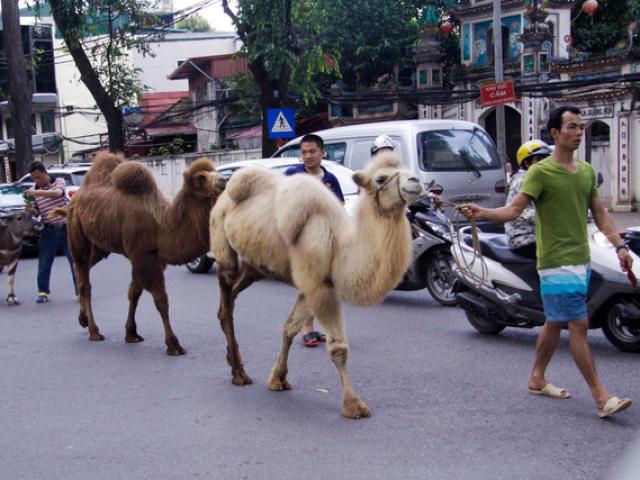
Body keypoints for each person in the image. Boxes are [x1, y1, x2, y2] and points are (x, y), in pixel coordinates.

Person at [459, 106, 633, 418]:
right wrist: (482, 213)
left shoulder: (586, 172)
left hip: (582, 258)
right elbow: (513, 211)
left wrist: (619, 246)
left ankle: (537, 378)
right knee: (578, 324)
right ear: (554, 133)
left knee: (554, 322)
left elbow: (601, 214)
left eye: (580, 127)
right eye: (571, 127)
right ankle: (601, 396)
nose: (578, 132)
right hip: (554, 261)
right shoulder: (540, 172)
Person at [285, 133, 344, 347]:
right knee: (309, 284)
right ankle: (306, 327)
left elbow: (338, 208)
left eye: (312, 151)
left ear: (322, 153)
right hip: (302, 242)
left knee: (327, 286)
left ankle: (325, 327)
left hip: (327, 243)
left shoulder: (330, 179)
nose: (307, 156)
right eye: (303, 152)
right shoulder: (293, 175)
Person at [25, 161, 78, 304]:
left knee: (74, 261)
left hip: (66, 228)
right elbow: (36, 211)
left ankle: (80, 292)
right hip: (48, 230)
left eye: (38, 177)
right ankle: (43, 292)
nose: (37, 181)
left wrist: (36, 192)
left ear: (45, 173)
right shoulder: (34, 190)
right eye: (34, 178)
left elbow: (57, 194)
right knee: (44, 263)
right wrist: (31, 210)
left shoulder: (58, 182)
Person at [505, 140, 553, 259]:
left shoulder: (540, 178)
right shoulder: (524, 180)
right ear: (527, 162)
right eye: (540, 159)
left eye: (547, 158)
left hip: (539, 235)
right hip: (524, 238)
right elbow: (524, 213)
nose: (545, 162)